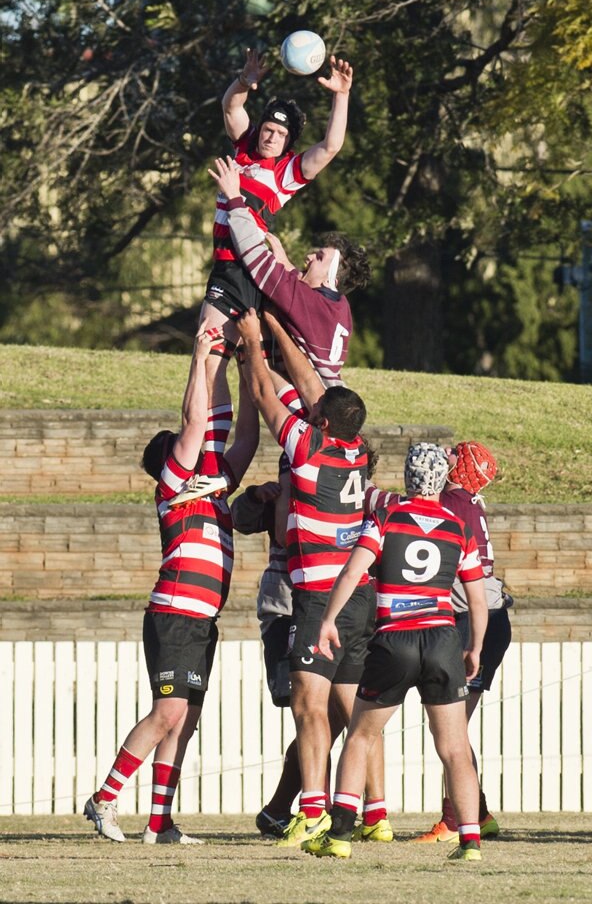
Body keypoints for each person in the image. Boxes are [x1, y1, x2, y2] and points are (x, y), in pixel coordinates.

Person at [83, 325, 259, 844]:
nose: (202, 448)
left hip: (202, 618)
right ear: (171, 458)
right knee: (168, 713)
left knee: (184, 721)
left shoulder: (213, 483)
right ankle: (105, 798)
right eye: (188, 447)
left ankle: (159, 823)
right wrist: (203, 354)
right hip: (177, 611)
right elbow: (196, 419)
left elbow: (245, 435)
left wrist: (245, 369)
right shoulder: (176, 483)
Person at [235, 307, 391, 848]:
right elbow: (308, 383)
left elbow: (263, 392)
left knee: (309, 706)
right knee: (351, 709)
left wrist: (253, 343)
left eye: (317, 407)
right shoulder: (354, 449)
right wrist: (279, 328)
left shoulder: (308, 446)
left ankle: (314, 812)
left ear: (322, 419)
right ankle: (374, 813)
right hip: (359, 594)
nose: (310, 402)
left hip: (319, 594)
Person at [303, 443, 488, 862]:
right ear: (442, 480)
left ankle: (341, 835)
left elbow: (353, 570)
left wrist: (328, 619)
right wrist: (474, 646)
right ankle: (471, 842)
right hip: (442, 639)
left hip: (394, 640)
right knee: (455, 748)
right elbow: (477, 600)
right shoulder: (459, 527)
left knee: (361, 735)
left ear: (408, 477)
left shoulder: (385, 517)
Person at [199, 48, 355, 395]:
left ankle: (208, 449)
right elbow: (231, 107)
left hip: (240, 268)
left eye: (280, 135)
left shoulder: (285, 173)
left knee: (209, 359)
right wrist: (244, 80)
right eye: (268, 129)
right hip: (231, 267)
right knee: (239, 374)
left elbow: (330, 147)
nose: (271, 137)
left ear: (288, 143)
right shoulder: (243, 149)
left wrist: (341, 96)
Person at [412, 440, 512, 843]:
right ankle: (479, 813)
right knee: (453, 727)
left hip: (474, 622)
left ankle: (455, 820)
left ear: (462, 467)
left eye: (454, 455)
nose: (446, 457)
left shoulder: (451, 502)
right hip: (481, 618)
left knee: (452, 729)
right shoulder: (467, 502)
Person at [209, 154, 370, 386]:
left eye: (319, 257)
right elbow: (304, 297)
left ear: (330, 279)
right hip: (329, 392)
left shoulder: (306, 300)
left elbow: (254, 255)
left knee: (252, 382)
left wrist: (234, 197)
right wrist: (287, 265)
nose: (309, 256)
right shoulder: (339, 305)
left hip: (309, 403)